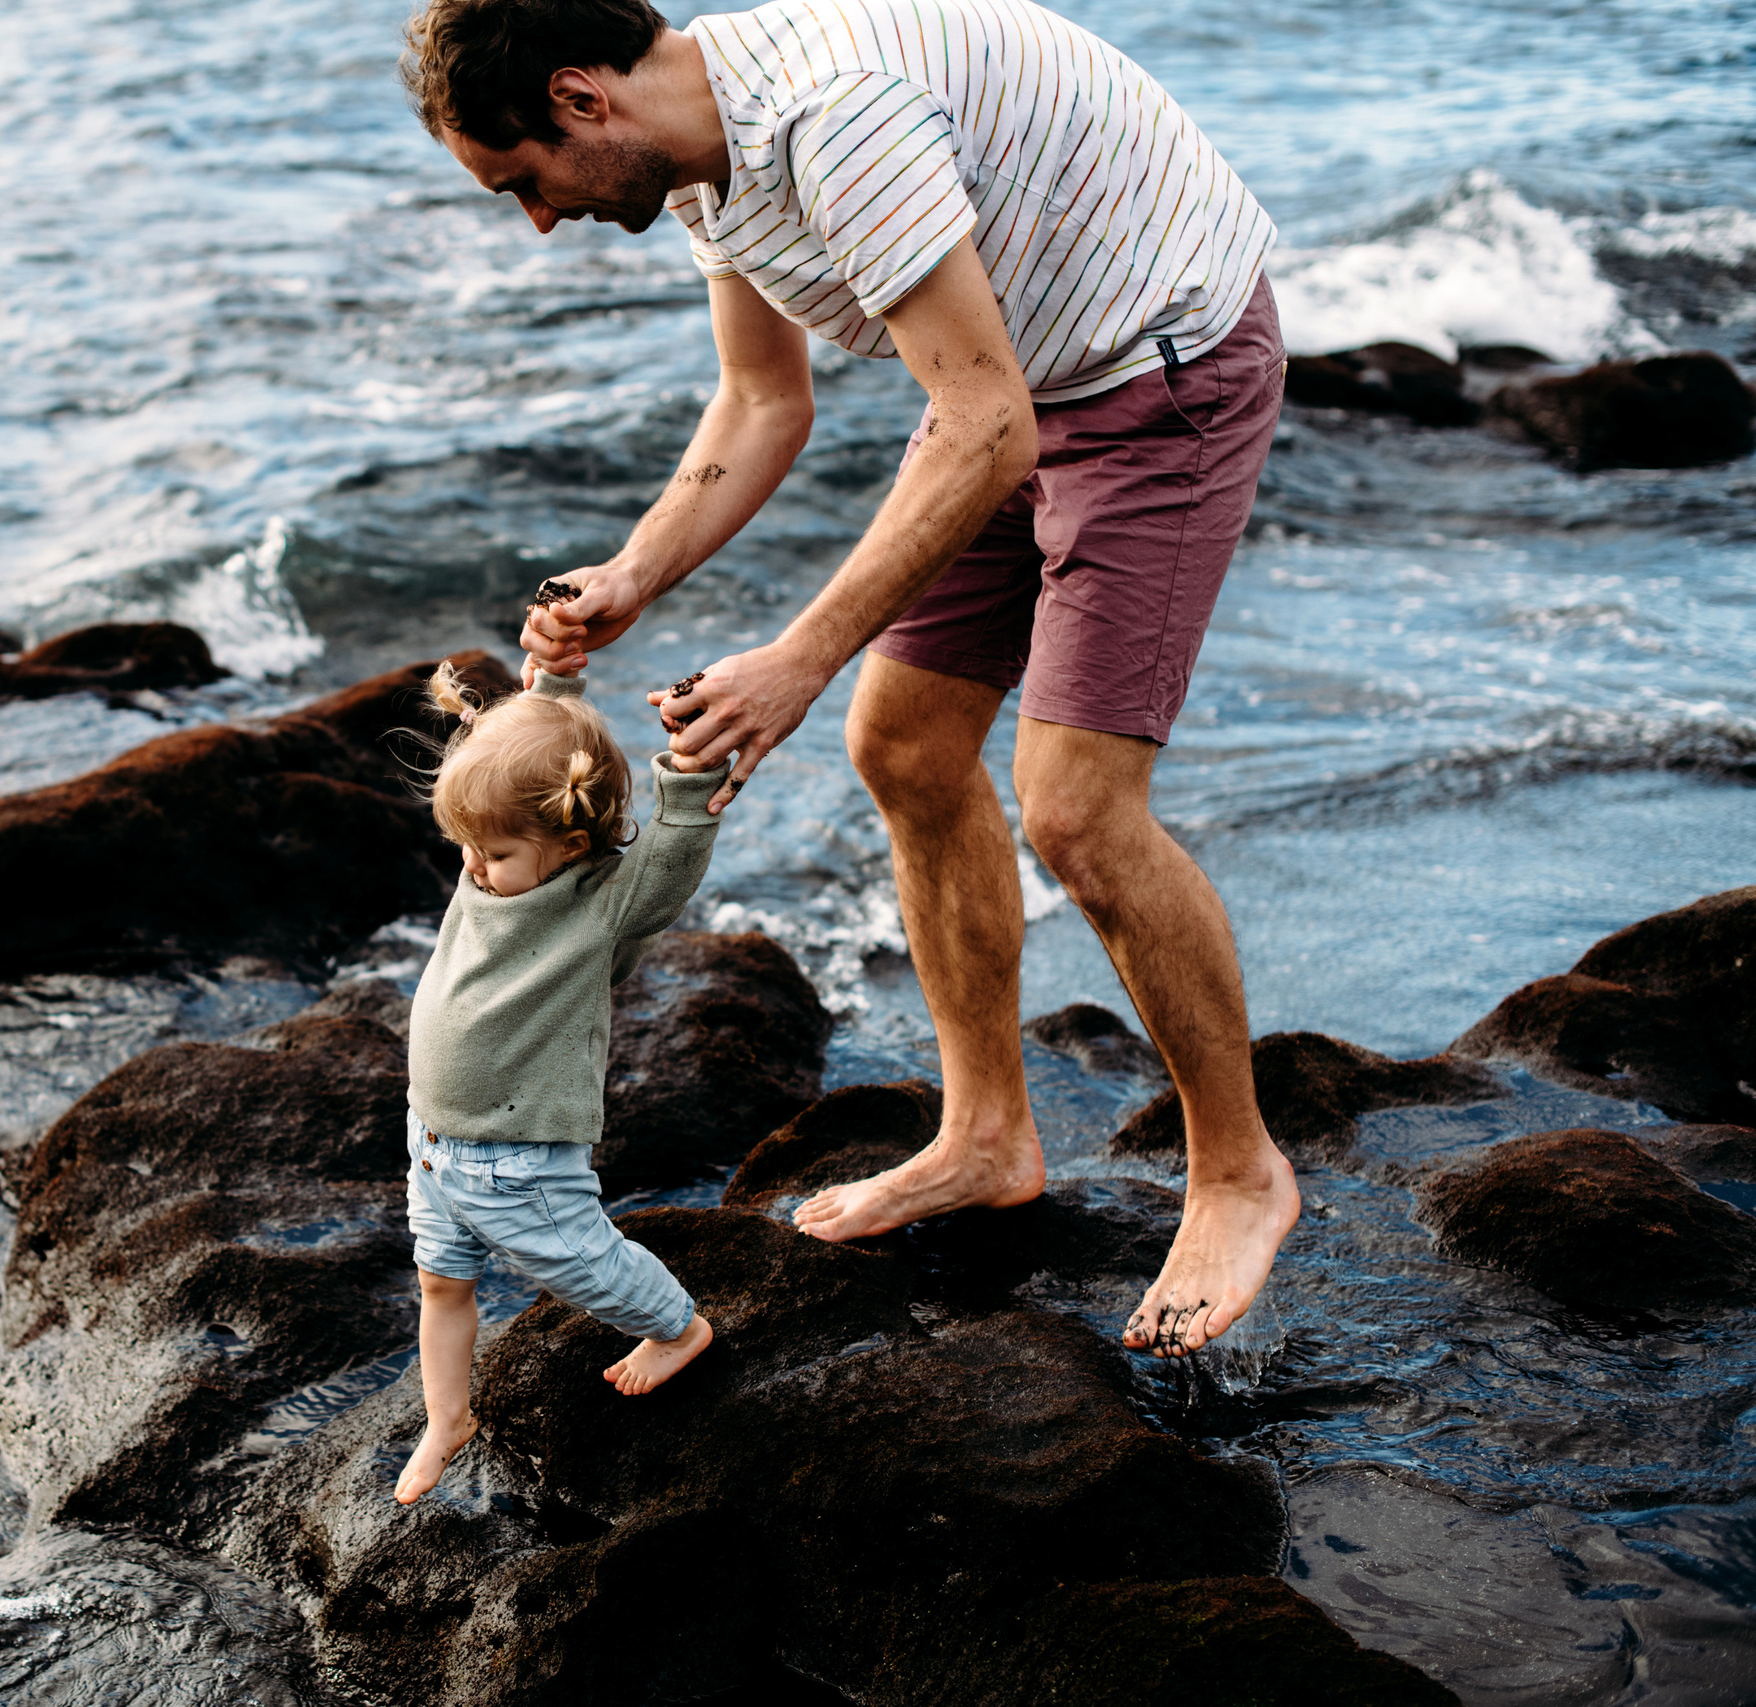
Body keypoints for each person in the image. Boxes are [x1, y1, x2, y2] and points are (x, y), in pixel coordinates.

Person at [402, 0, 1299, 1357]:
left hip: (1152, 366)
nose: (536, 221)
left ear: (581, 100)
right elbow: (764, 400)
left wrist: (798, 657)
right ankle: (989, 1133)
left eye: (522, 181)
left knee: (1074, 806)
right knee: (906, 747)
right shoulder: (700, 162)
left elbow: (989, 421)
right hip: (1006, 386)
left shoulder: (831, 121)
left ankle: (1239, 1170)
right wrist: (637, 572)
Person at [397, 660, 726, 1504]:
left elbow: (671, 859)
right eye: (467, 844)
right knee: (441, 1280)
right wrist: (548, 684)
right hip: (431, 1142)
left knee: (584, 1263)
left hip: (517, 1157)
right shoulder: (494, 868)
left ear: (571, 845)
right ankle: (447, 1419)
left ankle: (676, 1328)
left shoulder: (598, 904)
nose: (473, 865)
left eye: (496, 850)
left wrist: (688, 776)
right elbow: (532, 745)